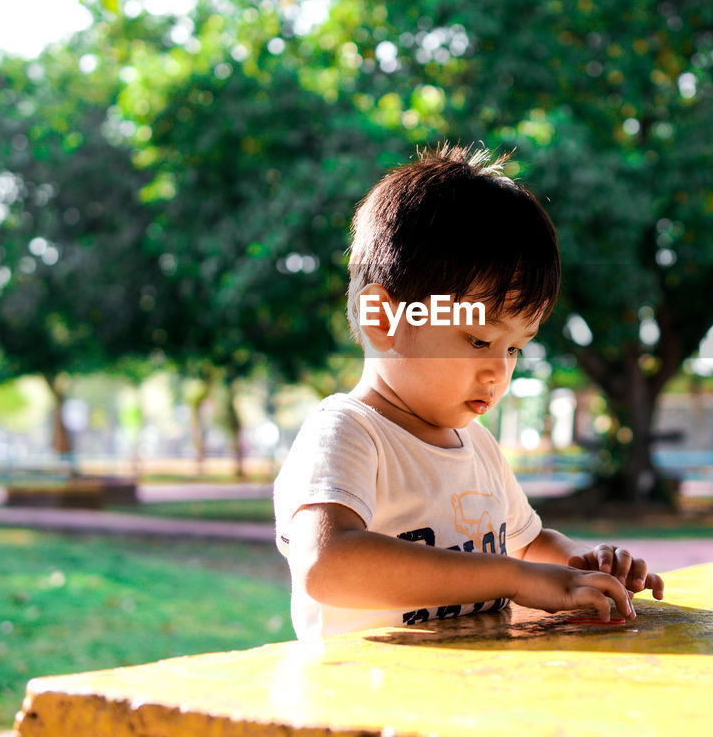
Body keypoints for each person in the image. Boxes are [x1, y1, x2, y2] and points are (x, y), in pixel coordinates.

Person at [273, 144, 665, 639]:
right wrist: (516, 579)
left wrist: (578, 568)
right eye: (479, 339)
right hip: (365, 698)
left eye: (515, 348)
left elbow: (526, 542)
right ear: (384, 318)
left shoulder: (476, 443)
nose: (499, 372)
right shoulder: (349, 433)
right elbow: (325, 565)